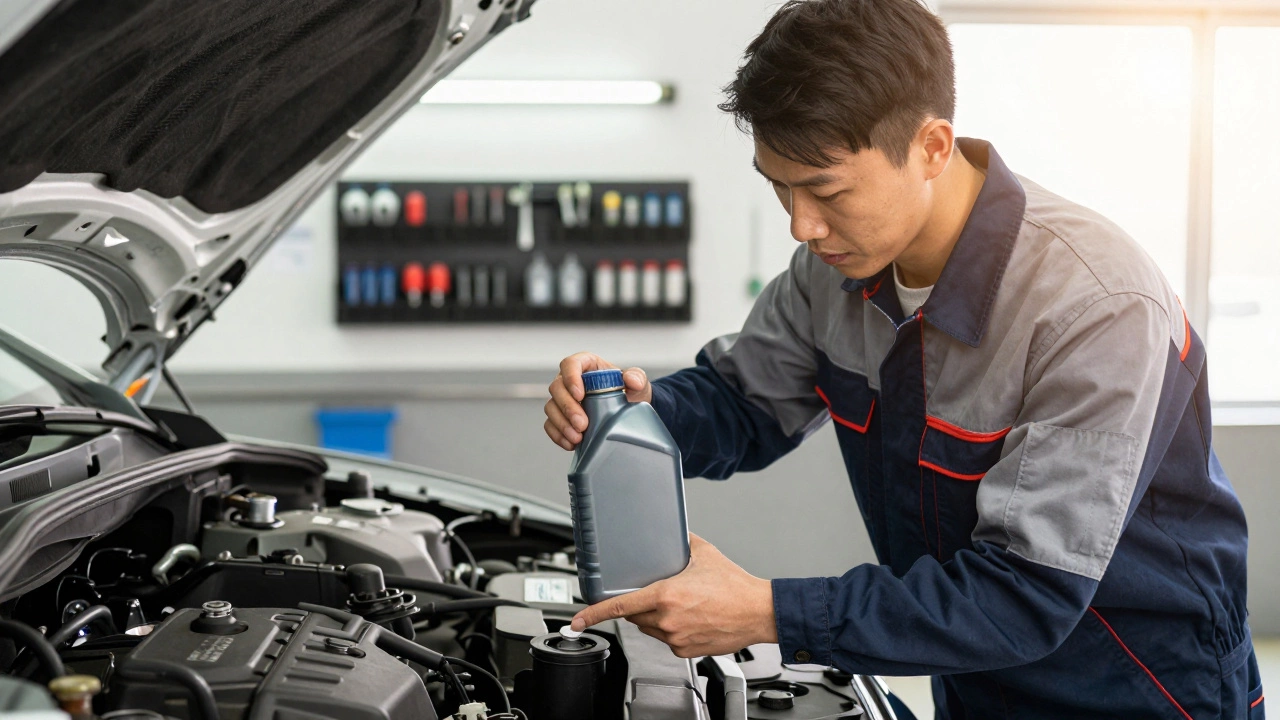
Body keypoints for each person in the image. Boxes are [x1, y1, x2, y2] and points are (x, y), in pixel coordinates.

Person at [542, 0, 1261, 717]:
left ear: (932, 149)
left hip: (1143, 692)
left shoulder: (1094, 305)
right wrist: (629, 415)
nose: (802, 224)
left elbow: (1025, 594)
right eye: (778, 185)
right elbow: (742, 404)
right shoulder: (832, 273)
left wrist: (769, 612)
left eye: (826, 189)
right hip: (971, 677)